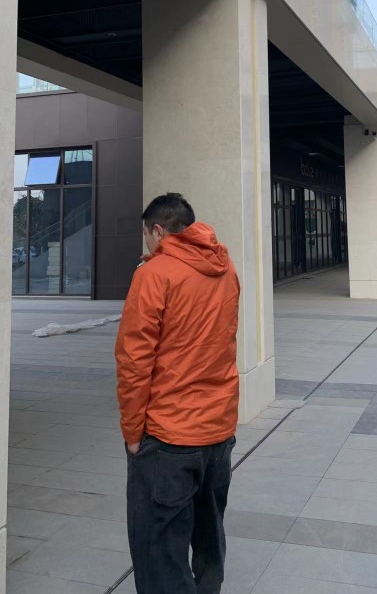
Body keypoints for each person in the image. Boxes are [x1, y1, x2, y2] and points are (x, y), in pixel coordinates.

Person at [115, 193, 240, 594]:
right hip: (218, 431)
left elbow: (134, 361)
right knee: (209, 537)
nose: (147, 244)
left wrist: (132, 433)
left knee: (160, 553)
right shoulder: (225, 268)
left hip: (169, 436)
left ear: (157, 230)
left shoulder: (154, 275)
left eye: (147, 236)